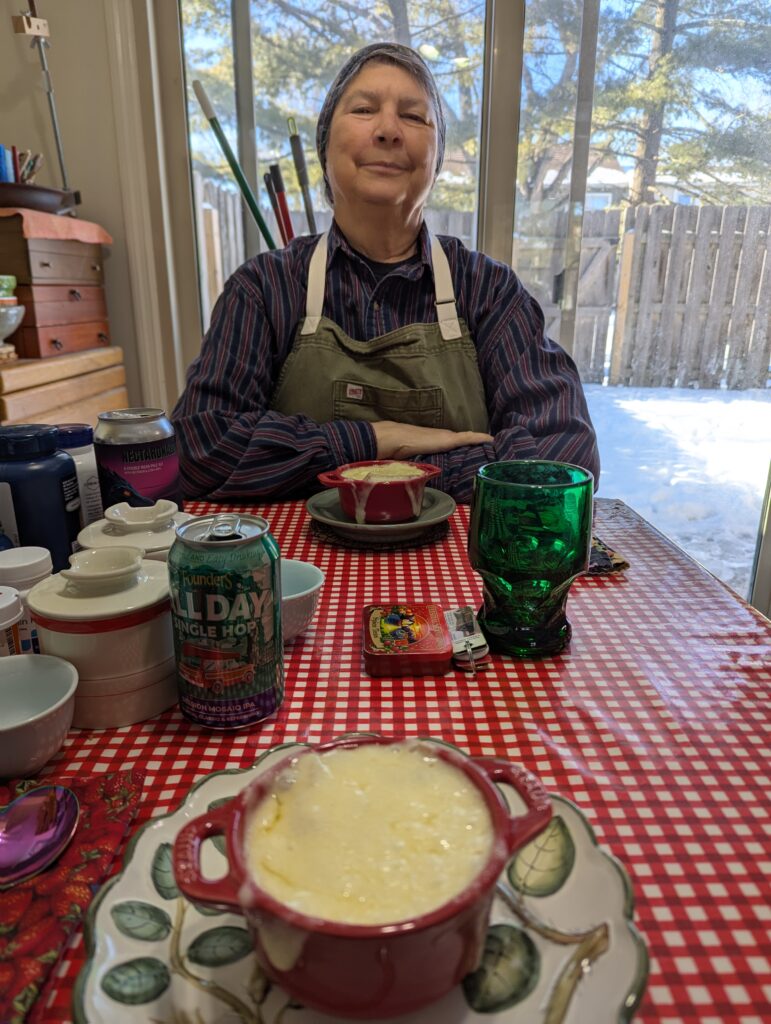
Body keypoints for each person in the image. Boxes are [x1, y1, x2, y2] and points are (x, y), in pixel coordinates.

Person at [172, 43, 600, 504]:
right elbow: (199, 449)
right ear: (324, 146)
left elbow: (564, 461)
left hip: (458, 575)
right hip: (304, 575)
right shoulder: (264, 289)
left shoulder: (489, 292)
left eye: (414, 117)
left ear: (435, 161)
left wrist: (349, 472)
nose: (389, 130)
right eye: (363, 109)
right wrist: (380, 440)